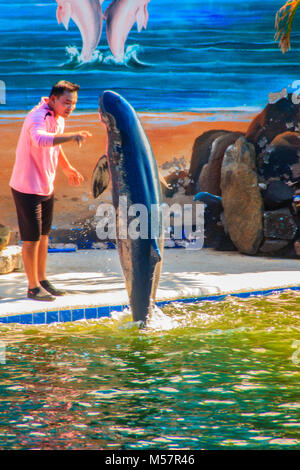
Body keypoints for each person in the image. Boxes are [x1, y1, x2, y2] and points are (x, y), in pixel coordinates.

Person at [9, 80, 92, 301]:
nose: (70, 108)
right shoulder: (39, 116)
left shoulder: (58, 118)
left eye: (73, 104)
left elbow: (55, 146)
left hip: (45, 185)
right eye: (66, 102)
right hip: (27, 187)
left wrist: (67, 168)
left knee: (44, 236)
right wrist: (72, 136)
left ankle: (42, 280)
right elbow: (40, 139)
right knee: (31, 239)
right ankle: (32, 287)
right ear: (53, 99)